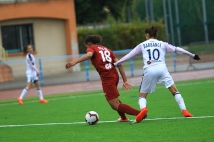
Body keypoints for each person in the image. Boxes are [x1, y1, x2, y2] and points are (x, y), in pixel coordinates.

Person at [114, 25, 201, 123]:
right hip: (162, 69)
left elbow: (129, 56)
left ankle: (143, 109)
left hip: (149, 69)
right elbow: (177, 49)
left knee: (142, 96)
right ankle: (184, 110)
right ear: (155, 34)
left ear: (147, 35)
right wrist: (192, 55)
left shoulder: (142, 45)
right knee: (174, 91)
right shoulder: (162, 44)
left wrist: (116, 63)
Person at [65, 35, 147, 122]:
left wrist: (74, 62)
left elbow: (89, 55)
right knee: (115, 100)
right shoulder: (107, 49)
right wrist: (125, 80)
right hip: (114, 75)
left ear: (88, 44)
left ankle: (140, 113)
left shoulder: (91, 48)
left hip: (107, 78)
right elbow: (119, 63)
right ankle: (123, 118)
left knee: (114, 105)